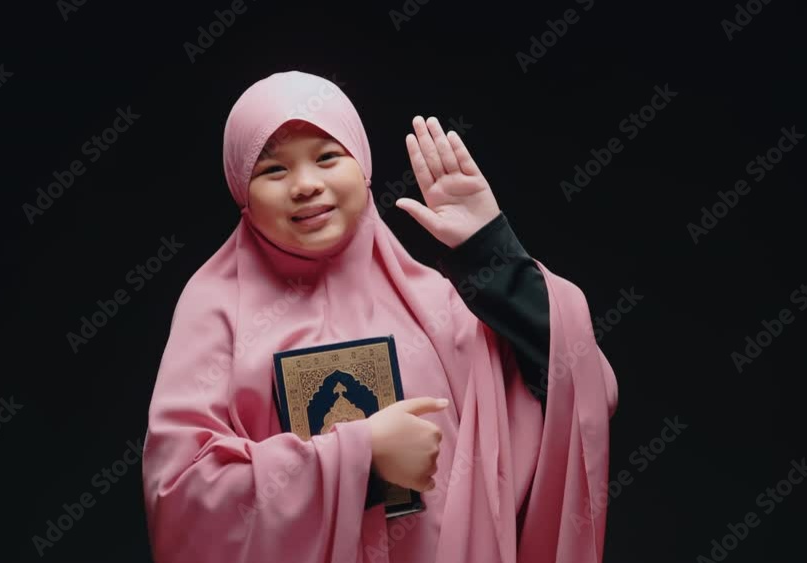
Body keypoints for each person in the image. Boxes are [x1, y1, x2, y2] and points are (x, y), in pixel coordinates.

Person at [141, 70, 619, 563]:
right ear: (242, 188)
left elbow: (581, 391)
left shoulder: (434, 305)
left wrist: (491, 255)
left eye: (328, 157)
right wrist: (360, 459)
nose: (306, 185)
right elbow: (182, 496)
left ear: (363, 167)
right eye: (273, 171)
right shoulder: (216, 310)